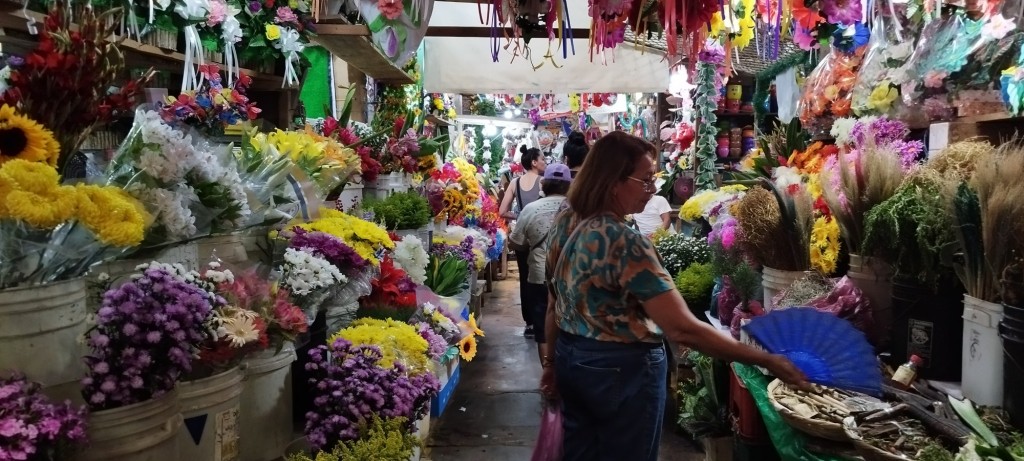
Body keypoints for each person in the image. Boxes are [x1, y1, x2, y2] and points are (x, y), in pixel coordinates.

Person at [540, 131, 809, 461]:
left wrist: (551, 362)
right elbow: (682, 329)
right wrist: (766, 359)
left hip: (573, 360)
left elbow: (553, 301)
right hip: (621, 372)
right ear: (613, 182)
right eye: (645, 180)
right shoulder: (626, 242)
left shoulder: (568, 223)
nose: (652, 189)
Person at [508, 163, 572, 365]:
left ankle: (548, 371)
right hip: (571, 276)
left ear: (543, 184)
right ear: (569, 185)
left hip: (539, 275)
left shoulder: (530, 209)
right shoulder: (577, 209)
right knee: (570, 327)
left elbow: (516, 243)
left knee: (543, 329)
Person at [499, 146, 546, 337]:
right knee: (541, 277)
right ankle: (541, 318)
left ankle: (529, 324)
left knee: (525, 278)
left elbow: (502, 211)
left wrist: (519, 215)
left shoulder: (515, 183)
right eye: (542, 159)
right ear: (534, 162)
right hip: (541, 236)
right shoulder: (543, 182)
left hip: (522, 237)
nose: (544, 162)